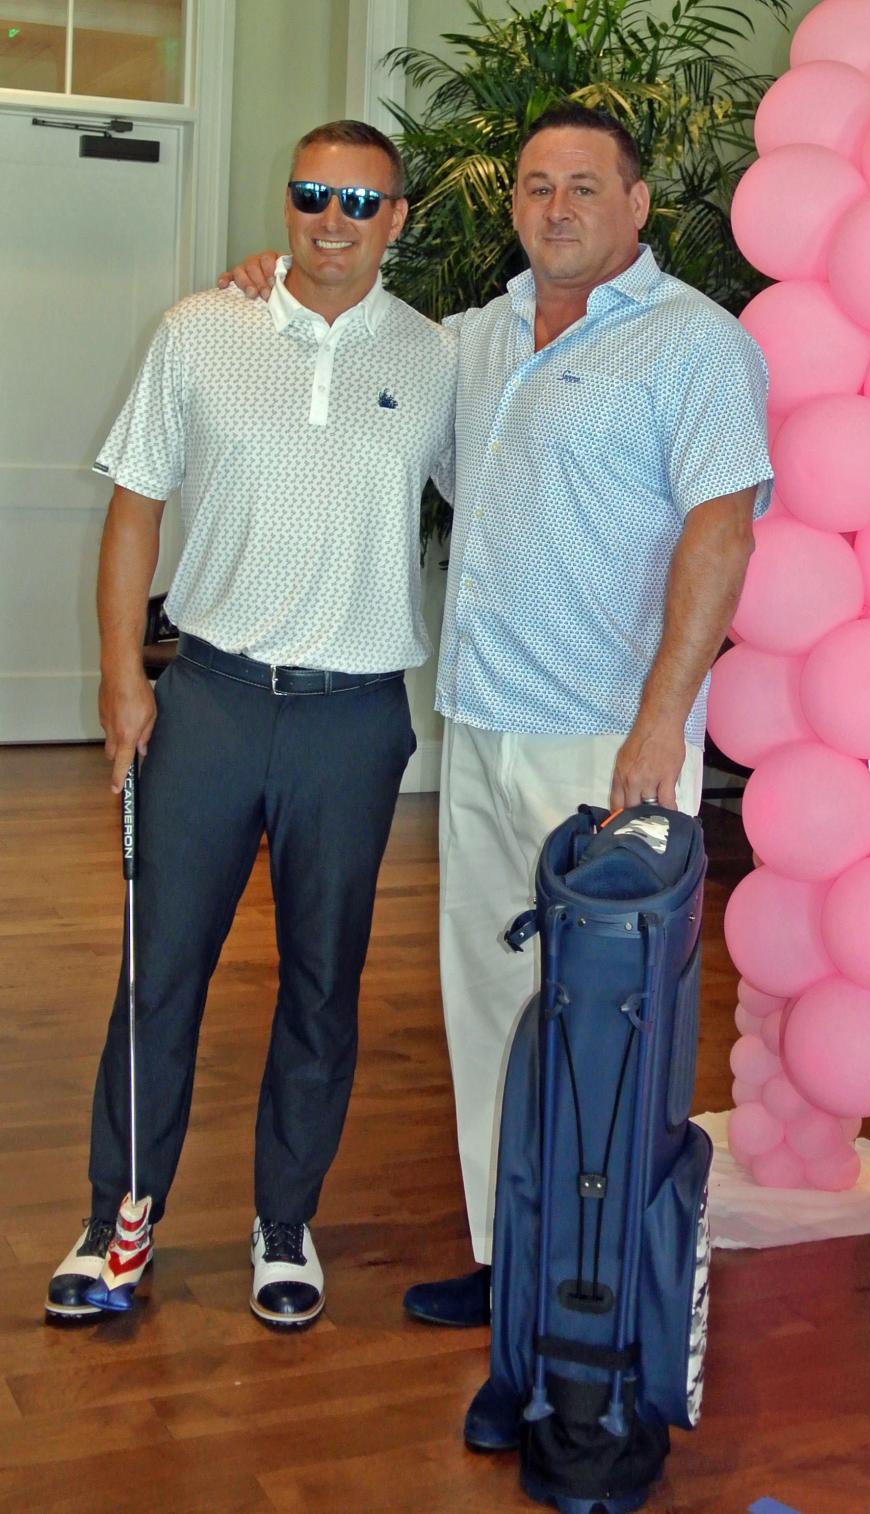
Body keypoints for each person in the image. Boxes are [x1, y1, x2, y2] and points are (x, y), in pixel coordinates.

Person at [223, 103, 772, 1435]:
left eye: (586, 184)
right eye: (537, 183)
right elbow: (350, 342)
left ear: (637, 205)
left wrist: (661, 721)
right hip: (482, 724)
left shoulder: (693, 345)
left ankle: (595, 1274)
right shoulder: (470, 343)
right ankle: (505, 1250)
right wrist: (271, 288)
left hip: (609, 740)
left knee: (603, 1025)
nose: (557, 204)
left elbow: (718, 532)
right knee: (488, 1003)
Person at [45, 120, 457, 1330]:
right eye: (312, 194)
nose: (333, 218)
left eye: (361, 201)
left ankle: (287, 1217)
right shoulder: (199, 330)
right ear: (289, 202)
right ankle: (122, 1215)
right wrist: (124, 677)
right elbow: (134, 513)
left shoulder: (441, 359)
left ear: (399, 220)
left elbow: (506, 486)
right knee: (159, 971)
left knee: (325, 987)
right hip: (211, 703)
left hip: (353, 721)